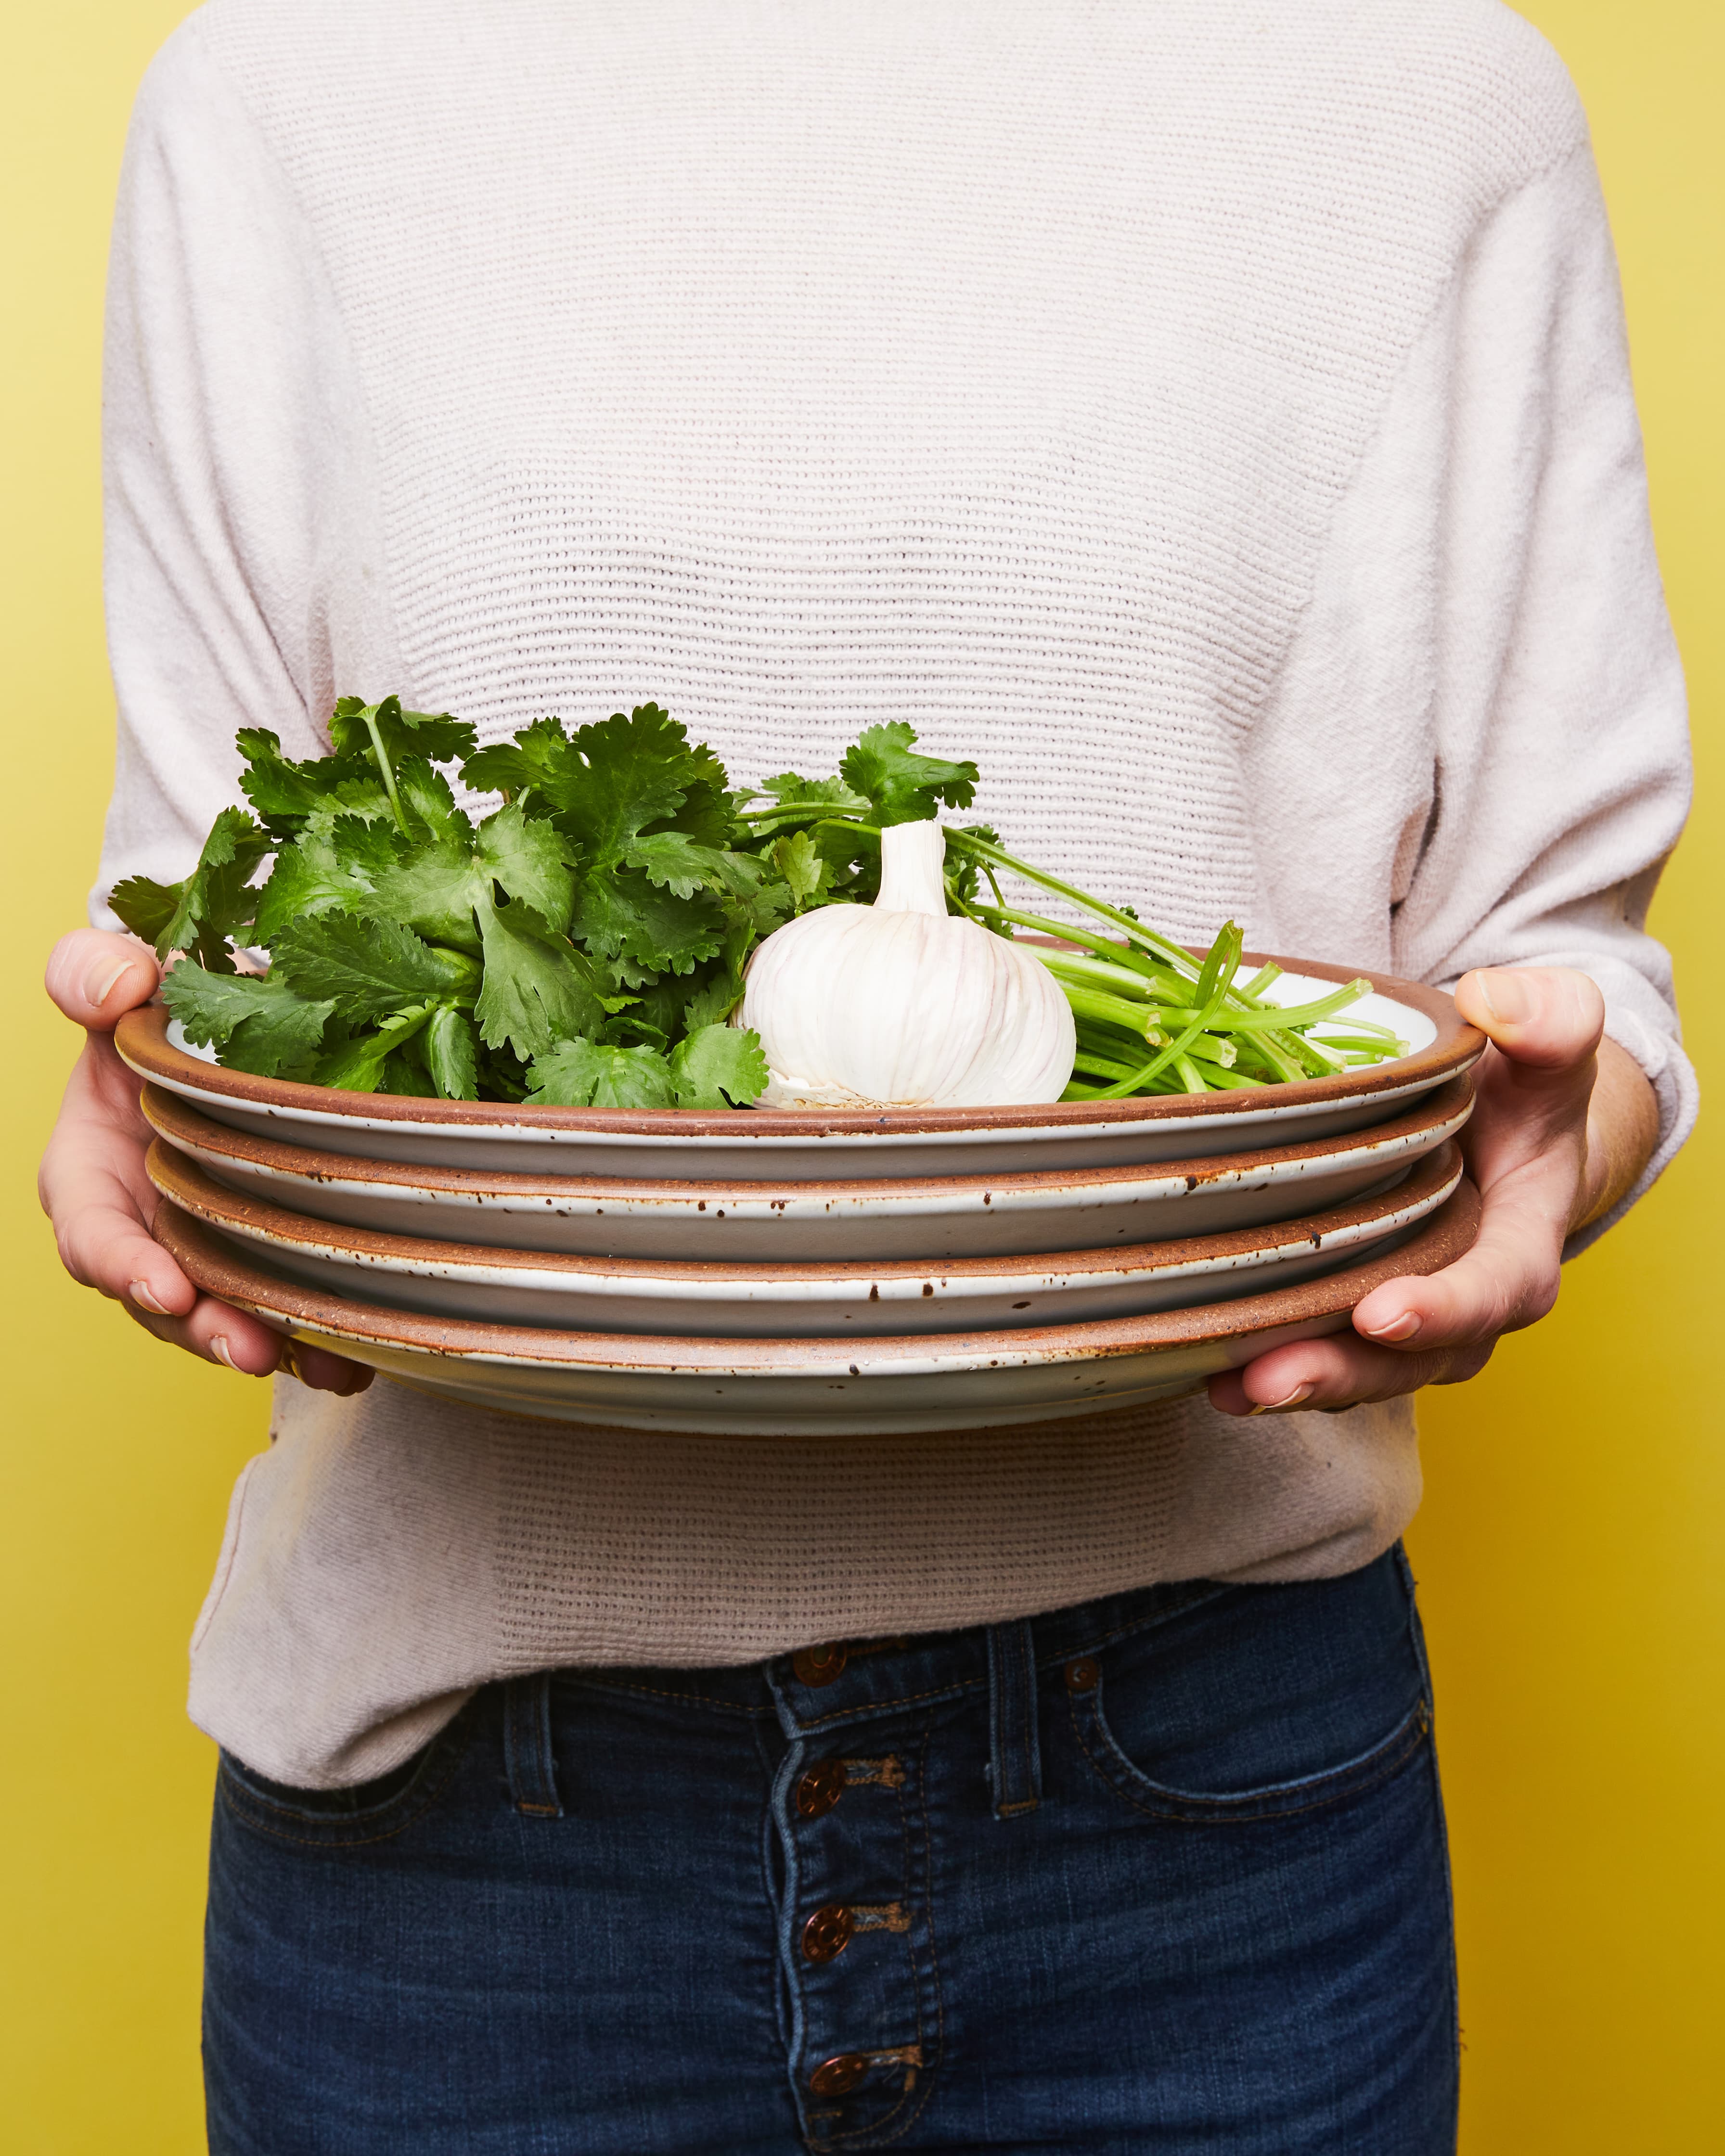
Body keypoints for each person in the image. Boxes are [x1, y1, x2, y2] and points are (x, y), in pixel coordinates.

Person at [39, 1, 1693, 2149]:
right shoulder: (283, 88)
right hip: (466, 1840)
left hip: (1209, 1821)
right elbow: (223, 915)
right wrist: (168, 1115)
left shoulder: (1418, 90)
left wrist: (1553, 1140)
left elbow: (1563, 957)